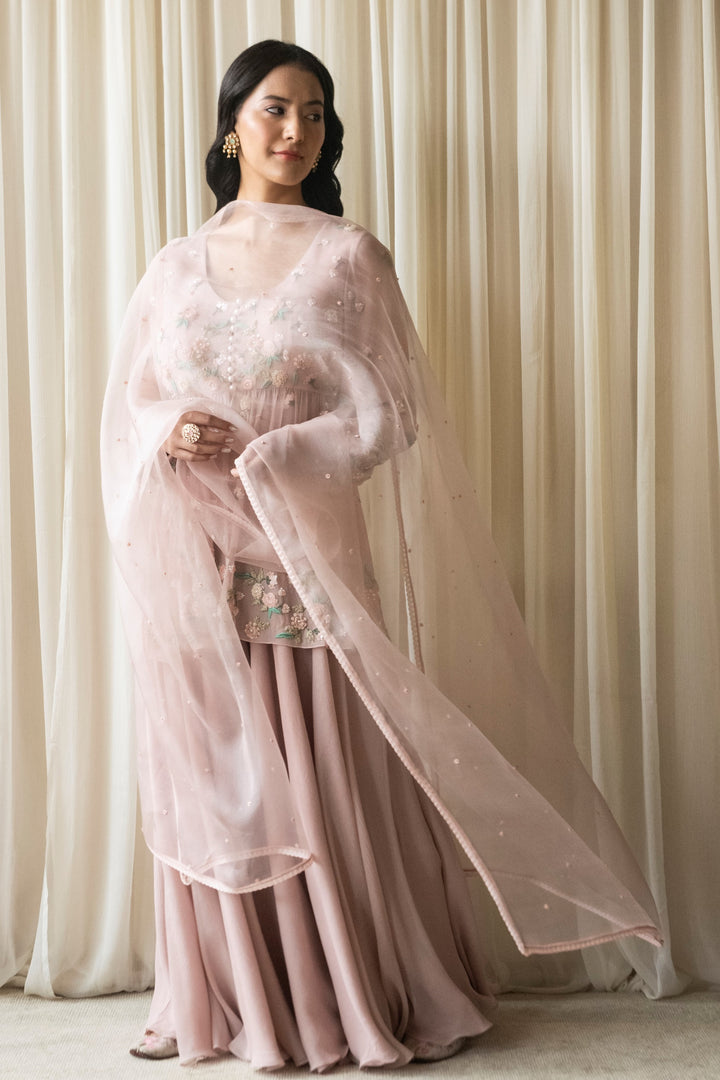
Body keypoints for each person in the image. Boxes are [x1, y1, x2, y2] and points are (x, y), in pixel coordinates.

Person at [101, 39, 662, 1070]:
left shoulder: (349, 256)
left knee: (320, 774)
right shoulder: (174, 266)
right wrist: (167, 428)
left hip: (301, 555)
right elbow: (130, 402)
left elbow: (393, 416)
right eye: (276, 109)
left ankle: (340, 997)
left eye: (315, 113)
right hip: (198, 563)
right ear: (232, 129)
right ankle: (232, 996)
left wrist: (282, 453)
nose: (297, 130)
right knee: (216, 772)